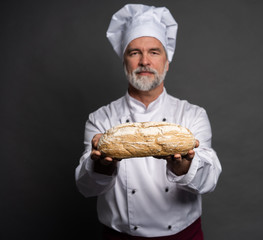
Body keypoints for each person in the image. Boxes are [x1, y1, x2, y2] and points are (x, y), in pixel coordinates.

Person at [75, 4, 222, 240]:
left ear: (167, 62)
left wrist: (184, 167)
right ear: (125, 61)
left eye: (154, 52)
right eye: (134, 53)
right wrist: (102, 167)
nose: (145, 61)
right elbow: (86, 188)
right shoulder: (101, 119)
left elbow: (210, 179)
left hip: (182, 236)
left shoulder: (192, 115)